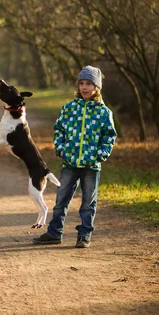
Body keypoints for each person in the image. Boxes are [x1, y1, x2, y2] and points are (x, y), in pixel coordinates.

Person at [33, 65, 117, 248]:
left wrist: (101, 153)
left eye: (89, 84)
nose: (84, 87)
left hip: (91, 165)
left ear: (97, 87)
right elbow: (59, 130)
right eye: (82, 83)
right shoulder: (69, 108)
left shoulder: (104, 112)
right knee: (61, 200)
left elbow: (109, 135)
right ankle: (55, 233)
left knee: (88, 203)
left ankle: (84, 235)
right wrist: (61, 148)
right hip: (70, 162)